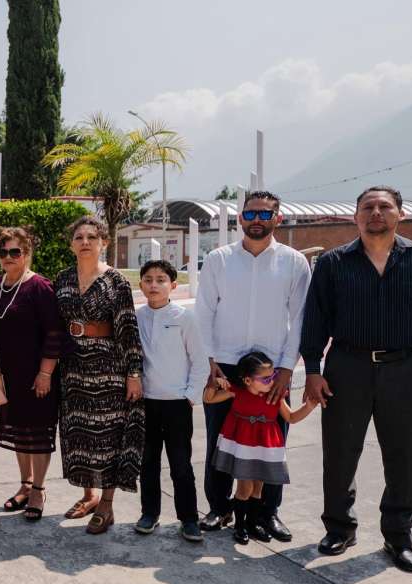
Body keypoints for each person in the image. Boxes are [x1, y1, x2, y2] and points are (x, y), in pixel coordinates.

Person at [301, 186, 412, 573]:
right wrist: (313, 371)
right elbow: (315, 321)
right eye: (367, 207)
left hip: (403, 371)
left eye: (384, 207)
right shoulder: (333, 263)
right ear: (355, 216)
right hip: (346, 368)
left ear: (400, 214)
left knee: (405, 457)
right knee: (339, 453)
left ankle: (399, 536)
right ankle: (339, 528)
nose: (376, 213)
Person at [194, 190, 310, 542]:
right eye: (250, 214)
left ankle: (267, 512)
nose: (256, 220)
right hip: (225, 367)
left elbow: (301, 318)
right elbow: (204, 312)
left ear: (278, 218)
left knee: (271, 442)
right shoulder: (218, 259)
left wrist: (288, 369)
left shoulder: (293, 262)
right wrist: (211, 361)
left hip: (271, 371)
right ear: (240, 219)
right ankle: (219, 507)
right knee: (221, 440)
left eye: (265, 214)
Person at [55, 216, 145, 534]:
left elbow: (129, 328)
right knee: (80, 435)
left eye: (92, 237)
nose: (84, 242)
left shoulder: (116, 281)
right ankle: (89, 496)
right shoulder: (63, 279)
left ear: (103, 242)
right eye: (78, 237)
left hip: (109, 367)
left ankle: (106, 505)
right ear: (71, 244)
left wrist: (134, 372)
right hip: (73, 369)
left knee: (108, 437)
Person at [0, 226, 63, 522]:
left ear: (27, 253)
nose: (8, 257)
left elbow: (54, 333)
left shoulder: (40, 287)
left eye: (15, 251)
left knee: (39, 433)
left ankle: (39, 490)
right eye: (3, 252)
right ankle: (25, 485)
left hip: (37, 374)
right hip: (9, 375)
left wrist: (45, 373)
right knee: (19, 433)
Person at [204, 351, 316, 544]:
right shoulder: (236, 391)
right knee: (245, 487)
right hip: (244, 445)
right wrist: (214, 383)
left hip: (265, 446)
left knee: (258, 487)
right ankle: (239, 526)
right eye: (265, 378)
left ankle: (252, 523)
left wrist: (309, 406)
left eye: (273, 376)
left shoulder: (276, 396)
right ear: (247, 380)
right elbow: (209, 399)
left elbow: (291, 417)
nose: (271, 381)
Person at [134, 259, 205, 542]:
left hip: (177, 403)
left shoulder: (184, 317)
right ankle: (149, 513)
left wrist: (190, 396)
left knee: (180, 465)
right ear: (140, 284)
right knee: (148, 462)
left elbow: (199, 360)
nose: (154, 285)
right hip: (146, 402)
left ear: (173, 285)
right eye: (148, 279)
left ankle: (189, 519)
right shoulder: (136, 317)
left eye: (161, 280)